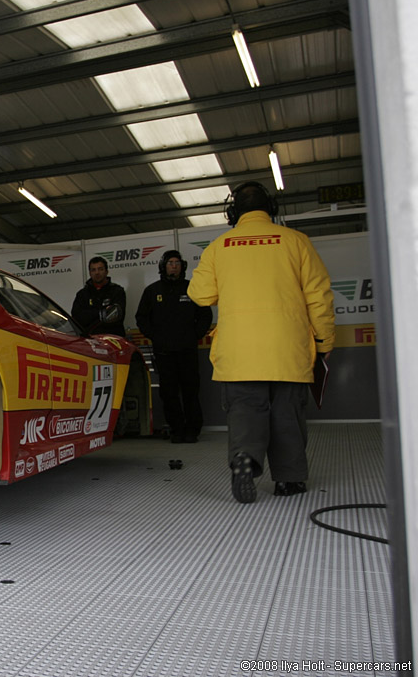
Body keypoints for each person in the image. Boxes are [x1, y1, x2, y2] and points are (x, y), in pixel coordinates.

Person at [188, 181, 335, 503]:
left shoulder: (219, 246)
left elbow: (199, 295)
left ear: (232, 212)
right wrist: (324, 341)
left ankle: (245, 458)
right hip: (289, 347)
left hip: (239, 351)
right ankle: (289, 480)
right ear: (271, 208)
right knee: (287, 414)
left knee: (244, 410)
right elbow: (319, 297)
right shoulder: (297, 242)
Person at [135, 250, 213, 444]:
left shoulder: (192, 288)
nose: (174, 266)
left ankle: (192, 430)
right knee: (168, 393)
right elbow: (141, 318)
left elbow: (205, 315)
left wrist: (194, 335)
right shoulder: (152, 291)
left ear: (183, 266)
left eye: (177, 262)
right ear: (163, 266)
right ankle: (176, 429)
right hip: (164, 352)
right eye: (170, 262)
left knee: (190, 391)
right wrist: (155, 336)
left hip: (187, 350)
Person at [71, 256, 126, 337]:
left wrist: (90, 314)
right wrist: (101, 313)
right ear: (90, 273)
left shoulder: (117, 291)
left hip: (113, 338)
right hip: (90, 339)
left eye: (100, 269)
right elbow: (77, 318)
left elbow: (116, 317)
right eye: (93, 270)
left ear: (106, 271)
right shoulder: (82, 294)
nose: (97, 272)